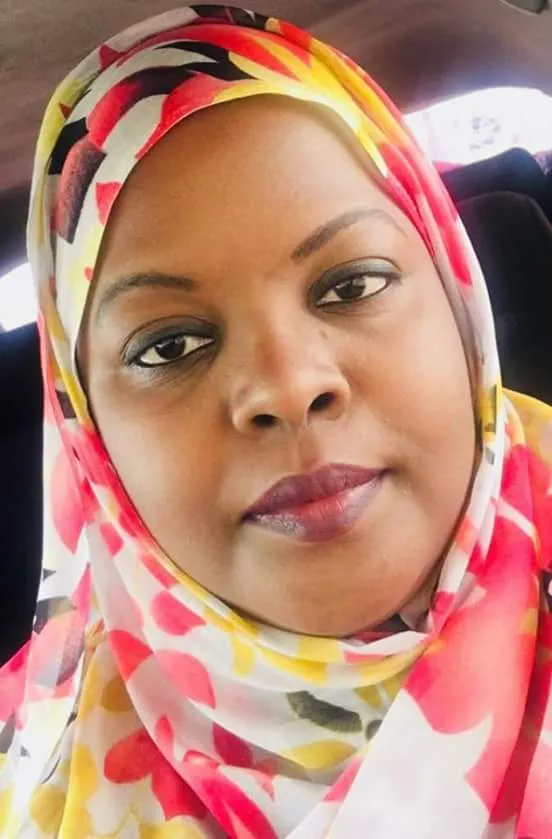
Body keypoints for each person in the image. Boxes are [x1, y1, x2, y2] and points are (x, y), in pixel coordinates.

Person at [1, 5, 551, 837]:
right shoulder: (30, 775)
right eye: (170, 346)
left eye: (351, 285)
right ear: (90, 440)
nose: (289, 388)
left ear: (456, 296)